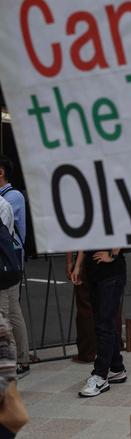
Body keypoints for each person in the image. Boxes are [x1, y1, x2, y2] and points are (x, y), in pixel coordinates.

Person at [71, 248, 127, 397]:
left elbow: (124, 228)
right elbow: (84, 237)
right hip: (93, 271)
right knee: (103, 322)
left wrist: (112, 254)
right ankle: (116, 367)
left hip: (111, 272)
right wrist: (78, 266)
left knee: (104, 323)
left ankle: (100, 375)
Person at [0, 157, 30, 379]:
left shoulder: (11, 198)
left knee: (7, 313)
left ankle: (13, 362)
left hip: (9, 260)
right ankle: (22, 357)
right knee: (12, 311)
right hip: (8, 259)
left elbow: (6, 230)